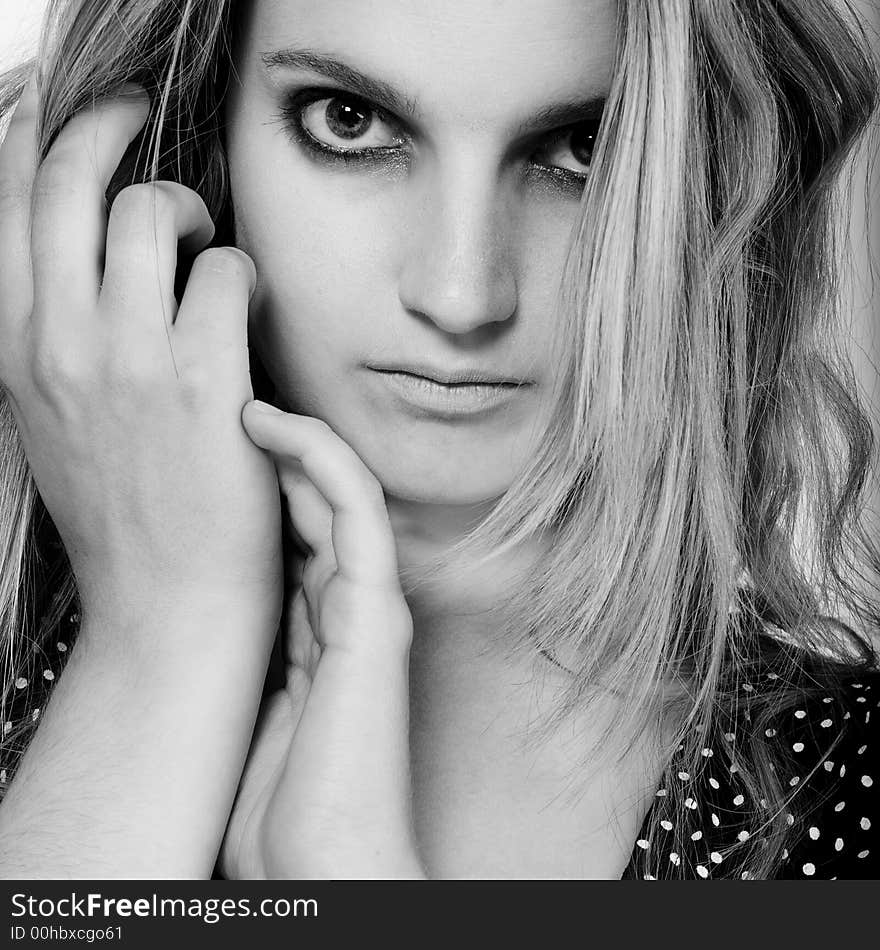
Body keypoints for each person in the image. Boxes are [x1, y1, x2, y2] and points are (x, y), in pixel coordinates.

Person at [0, 0, 877, 881]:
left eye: (586, 145)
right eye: (350, 123)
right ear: (198, 132)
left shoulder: (851, 787)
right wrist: (162, 639)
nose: (462, 296)